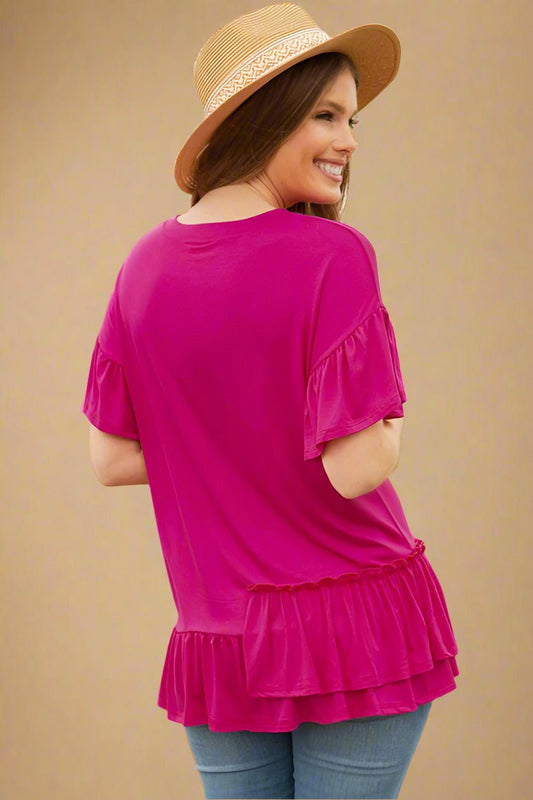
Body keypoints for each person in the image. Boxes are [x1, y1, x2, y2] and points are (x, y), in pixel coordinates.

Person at [81, 3, 459, 798]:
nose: (348, 141)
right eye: (326, 115)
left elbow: (111, 457)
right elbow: (357, 468)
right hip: (354, 626)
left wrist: (225, 450)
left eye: (350, 119)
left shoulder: (143, 265)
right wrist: (389, 415)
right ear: (264, 114)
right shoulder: (332, 254)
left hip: (219, 632)